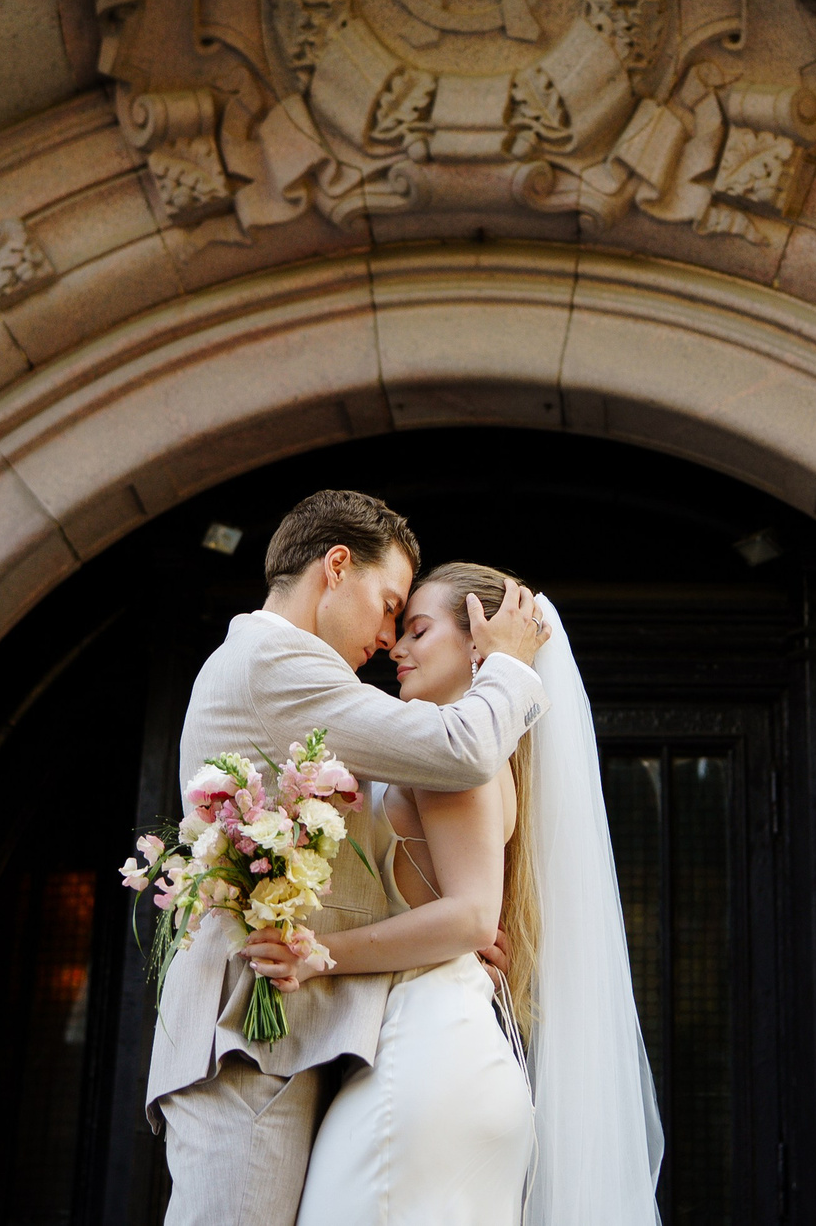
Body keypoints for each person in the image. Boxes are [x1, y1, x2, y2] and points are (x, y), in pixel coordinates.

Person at [147, 492, 551, 1226]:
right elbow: (456, 751)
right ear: (337, 566)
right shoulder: (276, 661)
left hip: (303, 1036)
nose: (391, 635)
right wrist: (512, 669)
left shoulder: (287, 669)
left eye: (411, 621)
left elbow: (392, 863)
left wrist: (447, 937)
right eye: (391, 602)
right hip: (250, 1035)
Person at [244, 564, 666, 1226]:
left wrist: (317, 953)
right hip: (442, 1052)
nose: (397, 648)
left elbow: (471, 915)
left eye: (417, 629)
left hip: (425, 1061)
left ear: (477, 643)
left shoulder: (454, 754)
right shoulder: (457, 751)